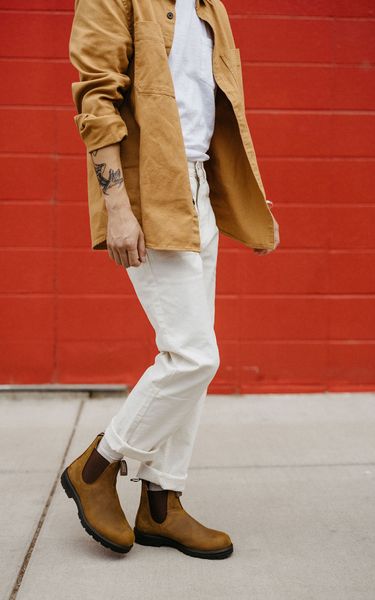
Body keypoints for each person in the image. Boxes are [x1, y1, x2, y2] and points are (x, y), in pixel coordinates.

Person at [61, 0, 280, 560]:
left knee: (190, 360)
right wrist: (117, 206)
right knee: (193, 357)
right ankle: (96, 467)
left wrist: (242, 201)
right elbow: (96, 98)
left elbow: (216, 109)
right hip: (149, 189)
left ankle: (162, 506)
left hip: (198, 186)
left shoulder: (210, 8)